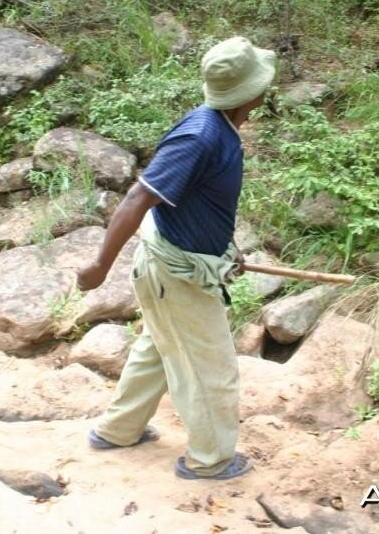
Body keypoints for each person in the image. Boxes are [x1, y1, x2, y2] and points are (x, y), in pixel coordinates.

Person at [76, 36, 276, 480]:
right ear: (251, 92)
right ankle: (210, 460)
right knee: (212, 369)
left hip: (174, 267)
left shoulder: (219, 130)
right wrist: (99, 266)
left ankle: (117, 431)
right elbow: (137, 197)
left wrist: (226, 250)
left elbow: (199, 204)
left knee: (157, 348)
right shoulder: (201, 136)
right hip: (174, 273)